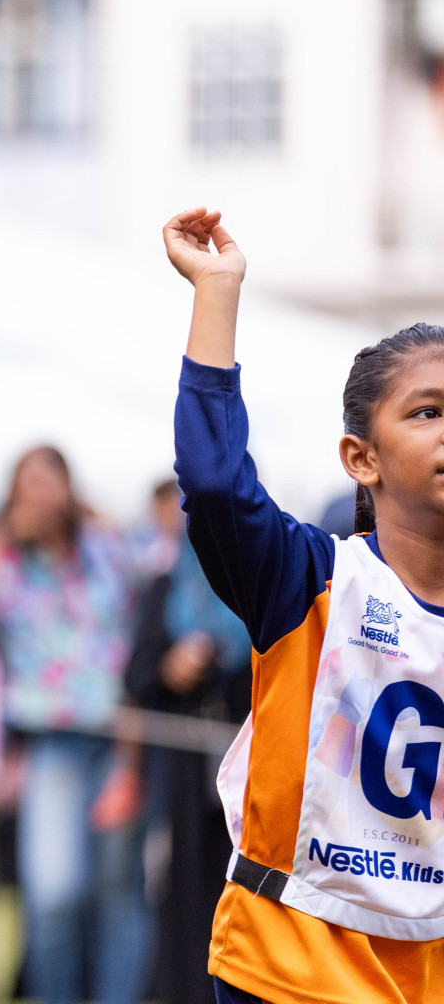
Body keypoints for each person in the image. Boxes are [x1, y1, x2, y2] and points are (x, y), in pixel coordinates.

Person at [163, 206, 444, 1004]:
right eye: (428, 411)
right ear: (362, 458)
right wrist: (217, 289)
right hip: (286, 967)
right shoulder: (312, 581)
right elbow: (216, 485)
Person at [0, 446, 154, 1004]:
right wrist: (0, 531)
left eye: (51, 483)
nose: (40, 495)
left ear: (70, 488)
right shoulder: (7, 562)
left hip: (125, 741)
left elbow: (159, 571)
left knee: (118, 895)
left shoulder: (106, 549)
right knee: (52, 895)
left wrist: (96, 516)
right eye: (27, 485)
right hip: (49, 745)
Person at [125, 481, 252, 1004]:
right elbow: (135, 673)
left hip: (247, 764)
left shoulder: (257, 581)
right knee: (183, 888)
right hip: (180, 770)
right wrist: (168, 667)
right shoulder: (163, 585)